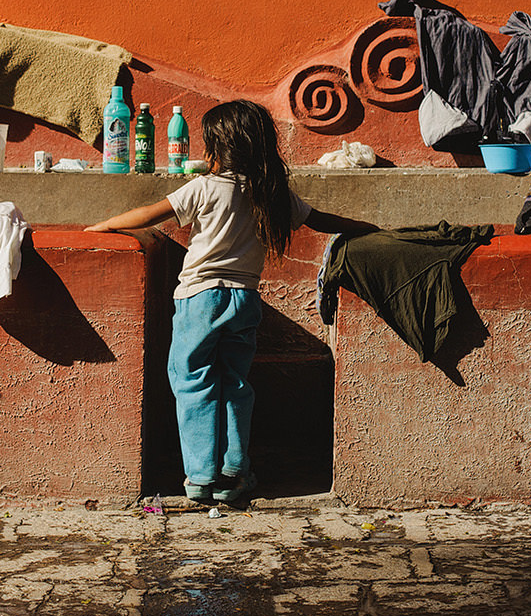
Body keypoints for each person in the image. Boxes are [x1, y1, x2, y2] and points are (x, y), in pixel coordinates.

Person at [85, 100, 374, 506]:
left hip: (199, 300)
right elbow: (322, 220)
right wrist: (370, 229)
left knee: (192, 383)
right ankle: (234, 474)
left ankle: (200, 477)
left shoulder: (203, 187)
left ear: (217, 146)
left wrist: (105, 225)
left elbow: (150, 214)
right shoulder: (271, 192)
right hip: (244, 301)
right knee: (235, 384)